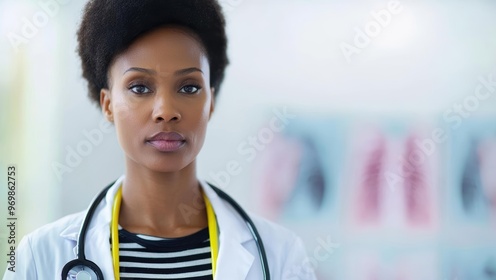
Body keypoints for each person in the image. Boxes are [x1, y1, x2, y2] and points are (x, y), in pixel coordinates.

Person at [2, 0, 316, 279]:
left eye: (189, 87)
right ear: (108, 104)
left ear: (211, 102)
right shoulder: (40, 257)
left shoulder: (282, 258)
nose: (165, 111)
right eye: (139, 87)